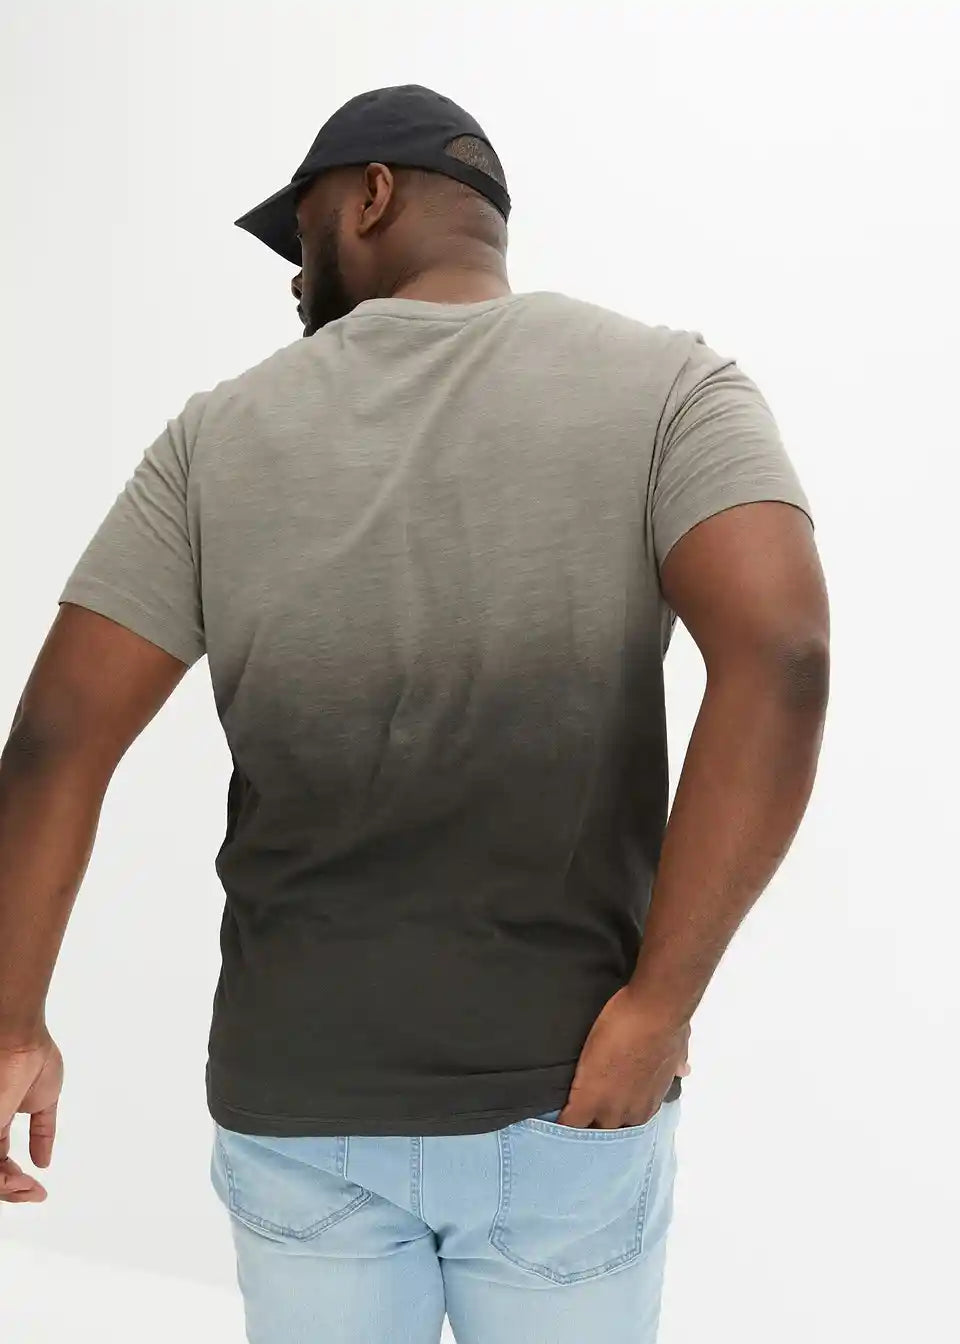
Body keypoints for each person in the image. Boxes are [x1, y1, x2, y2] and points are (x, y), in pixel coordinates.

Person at [0, 84, 829, 1343]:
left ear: (373, 195)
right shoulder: (672, 387)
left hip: (301, 1106)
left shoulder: (212, 441)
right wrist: (658, 1009)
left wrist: (12, 1021)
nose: (295, 279)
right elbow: (786, 655)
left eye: (303, 234)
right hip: (572, 1094)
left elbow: (56, 742)